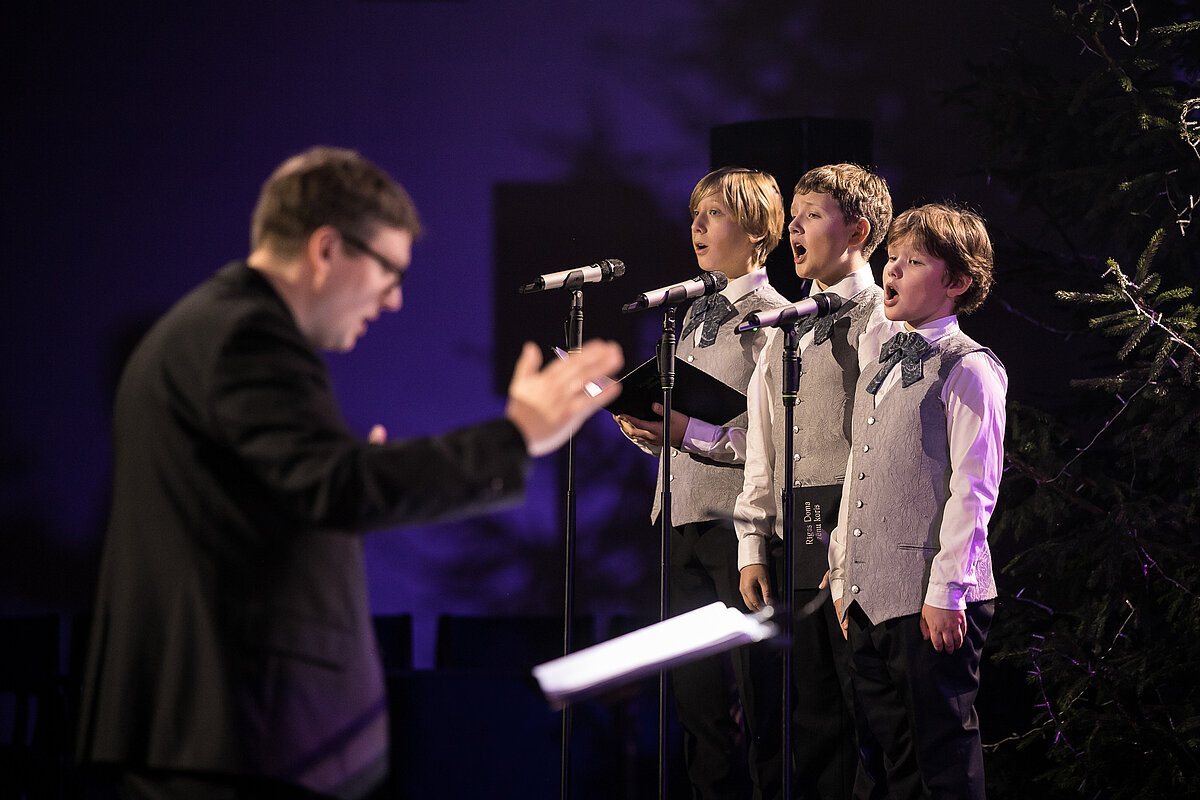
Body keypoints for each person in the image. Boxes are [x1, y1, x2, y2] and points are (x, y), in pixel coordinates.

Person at [74, 146, 624, 800]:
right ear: (327, 249)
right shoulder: (247, 336)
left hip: (211, 733)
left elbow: (292, 497)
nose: (393, 300)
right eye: (390, 272)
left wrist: (357, 470)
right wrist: (517, 437)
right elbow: (337, 487)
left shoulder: (210, 327)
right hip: (232, 735)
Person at [614, 166, 789, 799]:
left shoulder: (776, 318)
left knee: (761, 703)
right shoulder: (691, 316)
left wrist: (688, 431)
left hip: (738, 532)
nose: (697, 226)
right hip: (680, 521)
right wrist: (648, 429)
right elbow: (686, 429)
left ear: (757, 230)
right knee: (699, 707)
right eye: (695, 215)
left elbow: (772, 447)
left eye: (714, 214)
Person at [828, 203, 1006, 800]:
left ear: (958, 282)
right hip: (868, 597)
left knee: (940, 765)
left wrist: (946, 590)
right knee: (886, 766)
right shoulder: (880, 362)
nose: (893, 271)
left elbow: (973, 490)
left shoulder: (970, 367)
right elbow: (860, 471)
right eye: (892, 258)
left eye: (915, 261)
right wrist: (842, 576)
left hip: (931, 597)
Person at [734, 163, 893, 799]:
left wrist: (850, 545)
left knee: (869, 716)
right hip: (797, 534)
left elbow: (882, 445)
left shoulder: (884, 319)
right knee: (813, 718)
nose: (793, 229)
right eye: (793, 218)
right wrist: (752, 544)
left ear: (857, 230)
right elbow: (763, 444)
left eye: (812, 216)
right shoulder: (785, 328)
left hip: (859, 537)